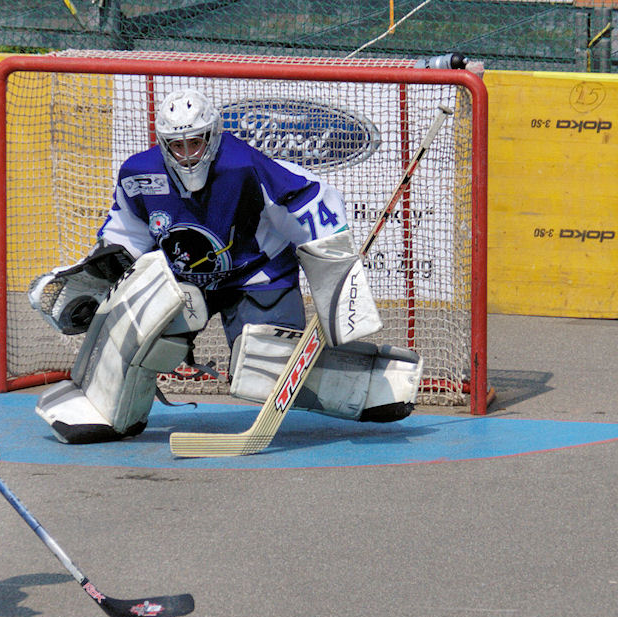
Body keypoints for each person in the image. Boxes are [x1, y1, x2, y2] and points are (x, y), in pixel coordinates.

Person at [29, 90, 422, 444]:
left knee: (265, 363)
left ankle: (377, 383)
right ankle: (105, 410)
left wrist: (331, 271)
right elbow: (127, 234)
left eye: (195, 142)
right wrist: (101, 280)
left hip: (257, 277)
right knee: (134, 329)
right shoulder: (139, 173)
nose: (186, 154)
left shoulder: (243, 165)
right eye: (176, 145)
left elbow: (308, 199)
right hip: (183, 284)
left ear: (213, 136)